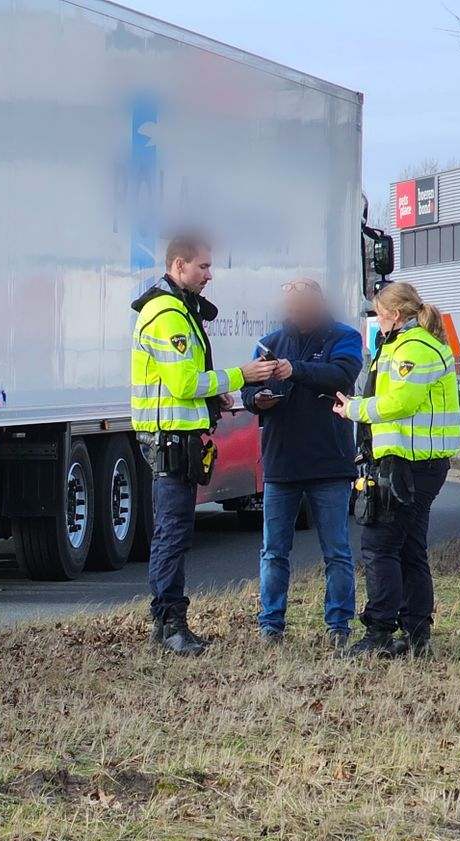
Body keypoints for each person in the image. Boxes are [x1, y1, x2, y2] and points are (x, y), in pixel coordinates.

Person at [130, 234, 279, 655]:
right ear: (179, 266)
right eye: (203, 267)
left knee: (175, 533)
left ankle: (170, 623)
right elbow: (182, 383)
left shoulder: (176, 309)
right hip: (170, 438)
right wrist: (239, 376)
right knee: (172, 534)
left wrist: (214, 396)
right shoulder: (168, 314)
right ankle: (169, 625)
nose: (210, 275)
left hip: (178, 436)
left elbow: (183, 381)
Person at [333, 281, 460, 659]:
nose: (376, 318)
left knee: (380, 547)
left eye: (378, 311)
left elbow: (401, 402)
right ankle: (417, 634)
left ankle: (378, 634)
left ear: (394, 313)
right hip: (411, 462)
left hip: (410, 465)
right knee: (407, 548)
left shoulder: (414, 348)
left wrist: (355, 409)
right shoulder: (406, 344)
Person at [243, 279, 362, 647]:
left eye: (301, 307)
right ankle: (270, 626)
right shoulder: (271, 343)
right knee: (273, 551)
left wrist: (294, 370)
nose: (294, 314)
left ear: (318, 304)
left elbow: (342, 375)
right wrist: (257, 399)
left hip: (330, 463)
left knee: (337, 552)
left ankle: (339, 626)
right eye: (290, 308)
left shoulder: (344, 337)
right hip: (281, 463)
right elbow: (248, 390)